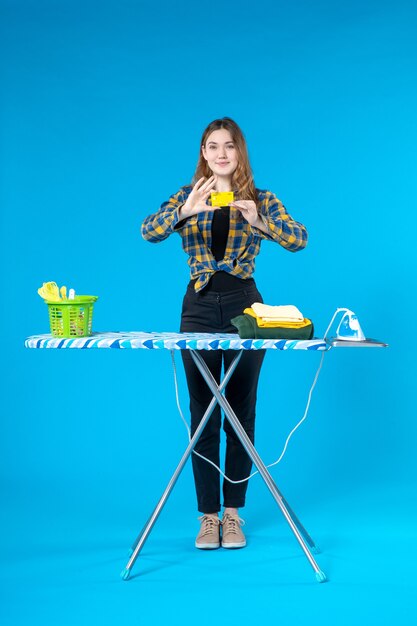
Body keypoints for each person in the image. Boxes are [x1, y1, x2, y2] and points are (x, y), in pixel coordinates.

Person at [141, 117, 308, 550]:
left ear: (240, 152)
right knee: (204, 413)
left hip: (245, 308)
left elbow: (299, 240)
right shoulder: (188, 195)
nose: (220, 154)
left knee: (240, 409)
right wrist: (185, 212)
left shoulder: (260, 198)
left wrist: (261, 223)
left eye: (229, 146)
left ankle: (234, 514)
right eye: (212, 146)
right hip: (197, 307)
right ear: (203, 153)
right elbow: (148, 231)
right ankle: (208, 517)